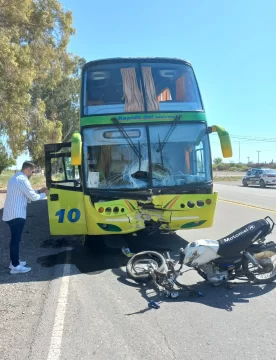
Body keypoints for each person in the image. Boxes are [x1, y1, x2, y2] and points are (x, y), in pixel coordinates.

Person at [2, 161, 49, 274]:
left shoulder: (15, 178)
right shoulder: (23, 179)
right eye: (32, 171)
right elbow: (32, 197)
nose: (32, 173)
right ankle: (15, 266)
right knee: (15, 241)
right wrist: (45, 194)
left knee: (15, 240)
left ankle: (14, 261)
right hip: (16, 215)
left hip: (11, 214)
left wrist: (39, 191)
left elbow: (26, 192)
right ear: (27, 169)